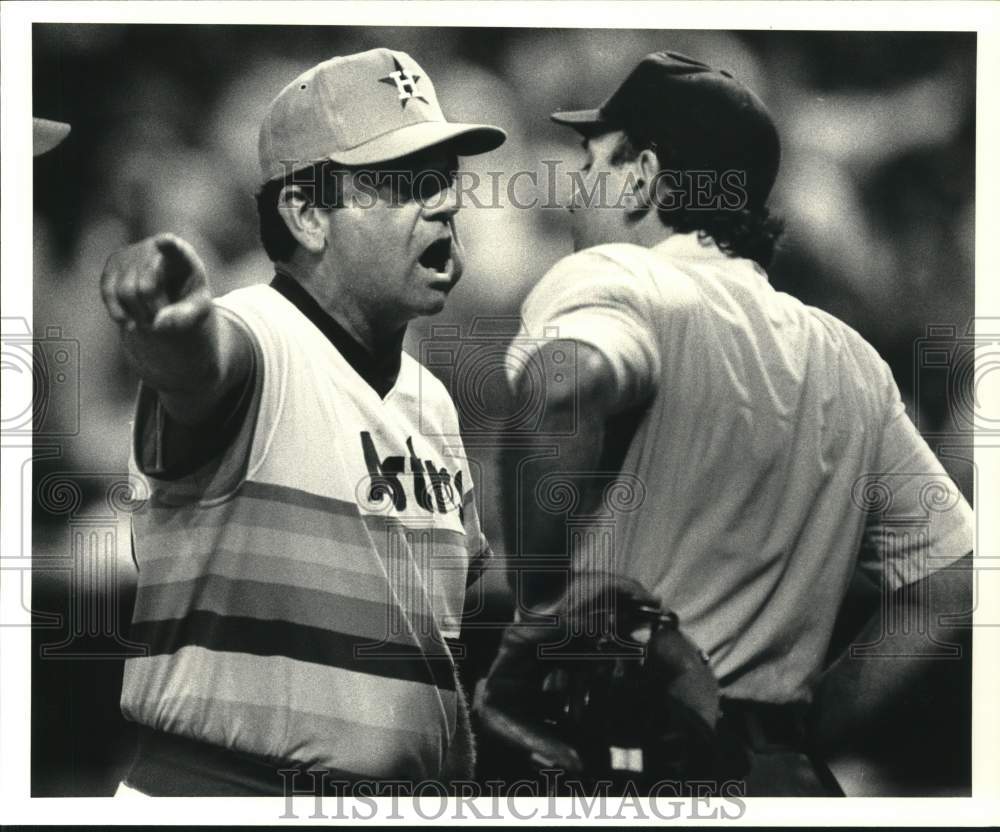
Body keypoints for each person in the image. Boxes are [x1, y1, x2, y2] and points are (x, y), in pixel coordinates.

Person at [479, 51, 973, 795]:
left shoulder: (625, 276)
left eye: (592, 162)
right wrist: (809, 726)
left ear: (642, 178)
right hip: (782, 781)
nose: (576, 189)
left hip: (630, 770)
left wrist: (540, 611)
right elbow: (952, 583)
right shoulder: (851, 359)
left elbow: (557, 391)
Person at [100, 48, 505, 796]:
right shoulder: (257, 339)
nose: (444, 203)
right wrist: (169, 332)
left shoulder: (432, 402)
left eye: (444, 177)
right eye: (403, 181)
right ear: (307, 212)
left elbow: (452, 627)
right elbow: (203, 369)